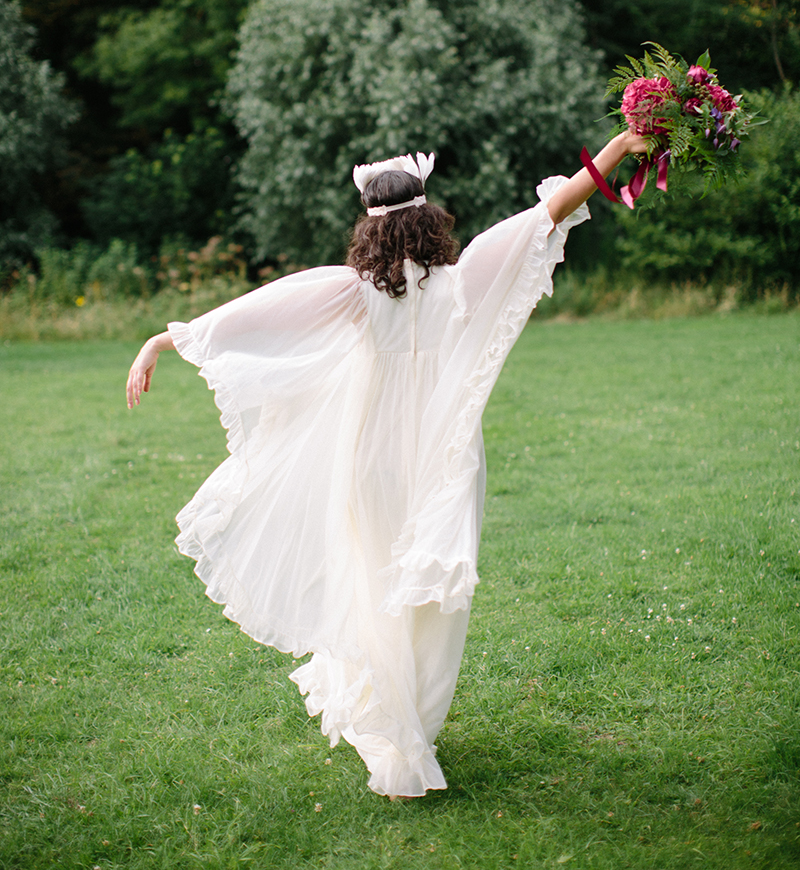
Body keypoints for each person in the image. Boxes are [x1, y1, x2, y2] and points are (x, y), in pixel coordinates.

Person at [126, 132, 646, 798]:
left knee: (372, 596)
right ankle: (410, 738)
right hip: (444, 465)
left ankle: (398, 736)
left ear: (368, 229)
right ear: (432, 218)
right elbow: (557, 204)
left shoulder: (350, 293)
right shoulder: (469, 275)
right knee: (434, 609)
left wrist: (161, 340)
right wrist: (625, 144)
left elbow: (252, 317)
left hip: (369, 462)